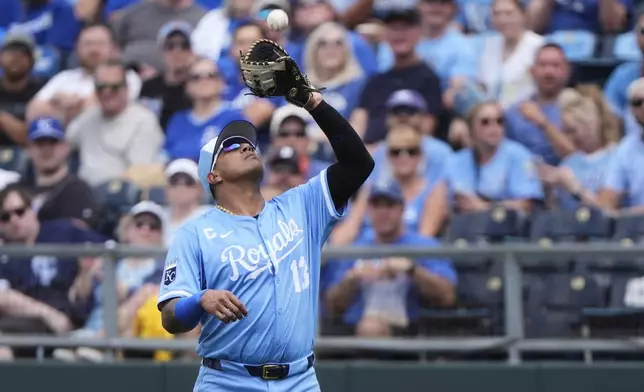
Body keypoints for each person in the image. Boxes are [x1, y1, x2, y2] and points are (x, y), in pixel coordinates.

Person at [157, 71, 374, 389]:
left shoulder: (301, 205)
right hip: (227, 380)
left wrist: (313, 103)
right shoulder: (195, 233)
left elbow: (358, 164)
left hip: (299, 380)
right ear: (213, 176)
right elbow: (171, 318)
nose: (246, 146)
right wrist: (200, 300)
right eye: (231, 146)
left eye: (248, 142)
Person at [324, 181, 456, 337]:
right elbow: (332, 306)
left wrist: (412, 271)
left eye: (389, 205)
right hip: (354, 330)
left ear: (401, 208)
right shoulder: (356, 248)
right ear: (368, 210)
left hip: (407, 331)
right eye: (376, 206)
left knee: (371, 329)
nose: (383, 212)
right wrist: (352, 278)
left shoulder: (423, 245)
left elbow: (448, 296)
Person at [0, 184, 106, 358]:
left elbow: (109, 250)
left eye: (19, 211)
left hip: (68, 319)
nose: (14, 220)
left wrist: (86, 273)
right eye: (5, 217)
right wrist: (48, 314)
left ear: (33, 210)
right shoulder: (4, 254)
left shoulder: (63, 231)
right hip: (22, 321)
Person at [66, 59, 164, 186]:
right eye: (101, 88)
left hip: (120, 196)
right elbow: (64, 145)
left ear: (126, 89)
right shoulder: (88, 118)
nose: (107, 93)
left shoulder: (142, 121)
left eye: (114, 87)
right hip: (83, 194)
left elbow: (140, 174)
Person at [538, 85, 620, 211]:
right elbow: (554, 212)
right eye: (566, 131)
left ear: (590, 124)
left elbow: (608, 211)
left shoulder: (617, 158)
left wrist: (575, 188)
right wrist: (547, 188)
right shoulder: (569, 162)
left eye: (573, 130)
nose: (569, 137)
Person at [20, 117, 99, 227]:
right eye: (40, 143)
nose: (46, 149)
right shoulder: (16, 190)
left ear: (66, 147)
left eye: (53, 142)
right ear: (29, 148)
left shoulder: (78, 190)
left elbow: (78, 234)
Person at [164, 57, 245, 162]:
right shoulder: (177, 121)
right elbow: (164, 157)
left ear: (221, 82)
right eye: (196, 77)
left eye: (211, 75)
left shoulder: (235, 119)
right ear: (187, 86)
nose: (204, 81)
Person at [138, 21, 195, 130]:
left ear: (192, 51)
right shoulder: (150, 87)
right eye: (170, 46)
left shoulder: (198, 84)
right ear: (162, 52)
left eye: (184, 45)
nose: (177, 51)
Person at [0, 34, 44, 147]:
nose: (16, 58)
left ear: (32, 61)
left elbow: (31, 137)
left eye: (23, 53)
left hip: (29, 158)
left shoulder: (42, 91)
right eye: (11, 52)